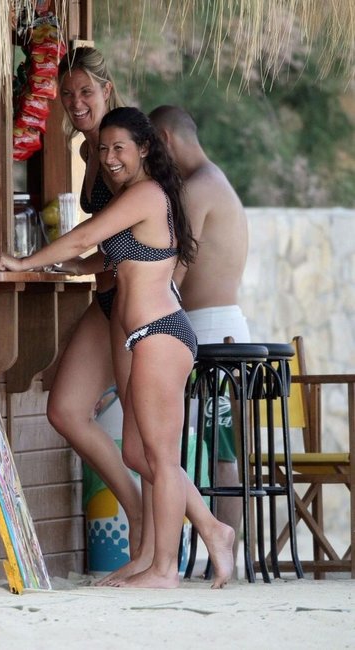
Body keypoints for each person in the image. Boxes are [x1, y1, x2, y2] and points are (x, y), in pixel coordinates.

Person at [0, 106, 234, 589]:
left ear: (144, 148)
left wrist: (24, 262)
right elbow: (106, 256)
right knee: (138, 454)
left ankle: (165, 569)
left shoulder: (146, 193)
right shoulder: (135, 196)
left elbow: (85, 235)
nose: (108, 157)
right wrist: (65, 267)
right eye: (102, 149)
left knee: (160, 458)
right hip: (141, 335)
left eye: (118, 148)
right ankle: (200, 536)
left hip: (160, 333)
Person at [43, 47, 144, 558]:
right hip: (103, 299)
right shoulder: (88, 151)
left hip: (133, 304)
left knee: (142, 443)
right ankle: (138, 513)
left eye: (85, 91)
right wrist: (81, 265)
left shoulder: (124, 147)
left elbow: (146, 230)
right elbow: (108, 241)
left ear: (106, 89)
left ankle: (206, 530)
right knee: (65, 411)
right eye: (66, 94)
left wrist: (52, 259)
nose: (76, 102)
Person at [149, 105, 251, 565]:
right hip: (214, 327)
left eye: (152, 150)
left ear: (165, 138)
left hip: (213, 333)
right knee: (205, 446)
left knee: (221, 449)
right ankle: (217, 549)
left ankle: (227, 552)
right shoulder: (215, 181)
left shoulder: (200, 187)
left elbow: (175, 268)